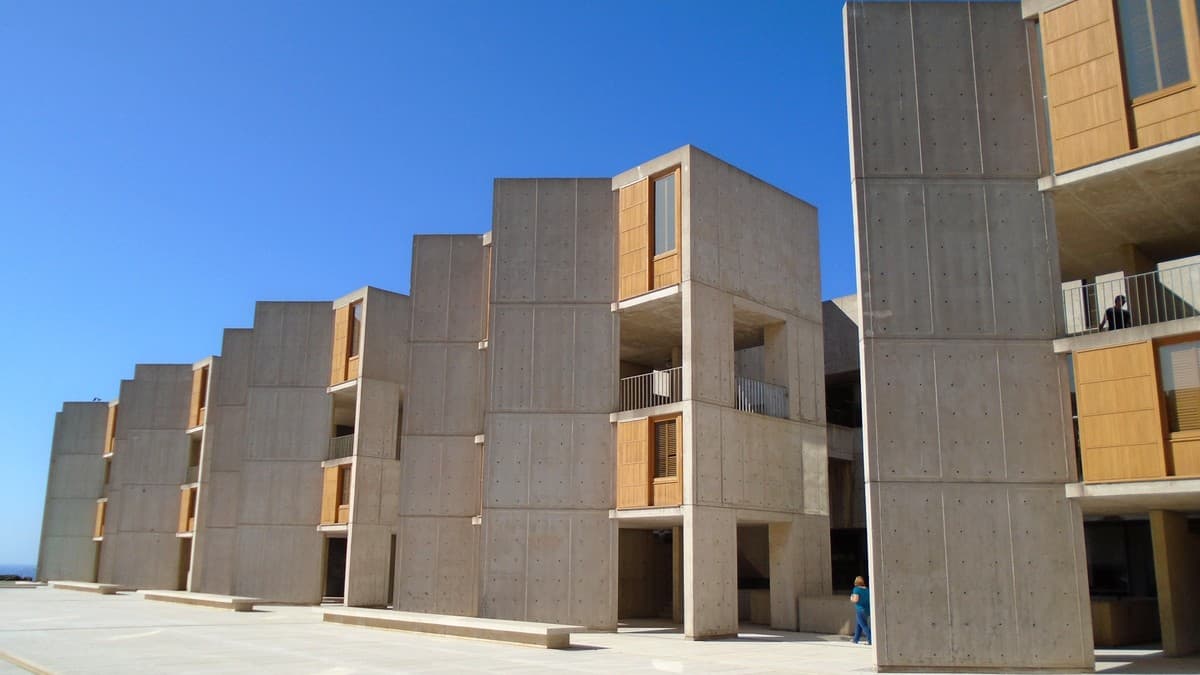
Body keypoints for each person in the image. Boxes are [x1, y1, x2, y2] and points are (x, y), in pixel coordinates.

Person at [850, 575, 871, 645]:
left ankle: (871, 639)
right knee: (859, 624)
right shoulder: (867, 589)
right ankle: (855, 639)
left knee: (864, 626)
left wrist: (851, 598)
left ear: (856, 582)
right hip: (867, 610)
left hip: (860, 609)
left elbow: (856, 599)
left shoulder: (856, 589)